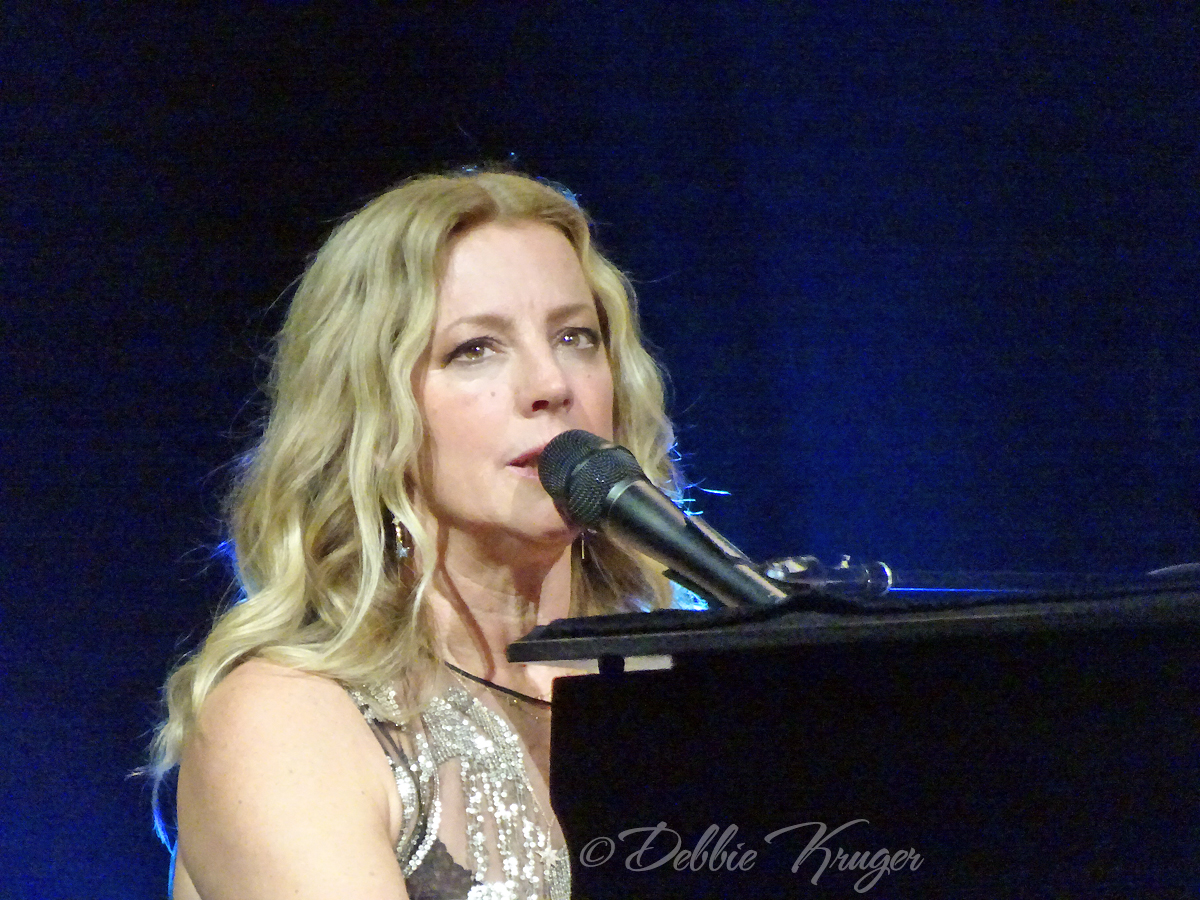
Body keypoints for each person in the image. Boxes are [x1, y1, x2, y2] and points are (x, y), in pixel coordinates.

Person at [148, 169, 684, 900]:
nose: (551, 384)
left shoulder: (680, 687)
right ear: (370, 414)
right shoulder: (289, 719)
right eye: (475, 349)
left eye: (575, 337)